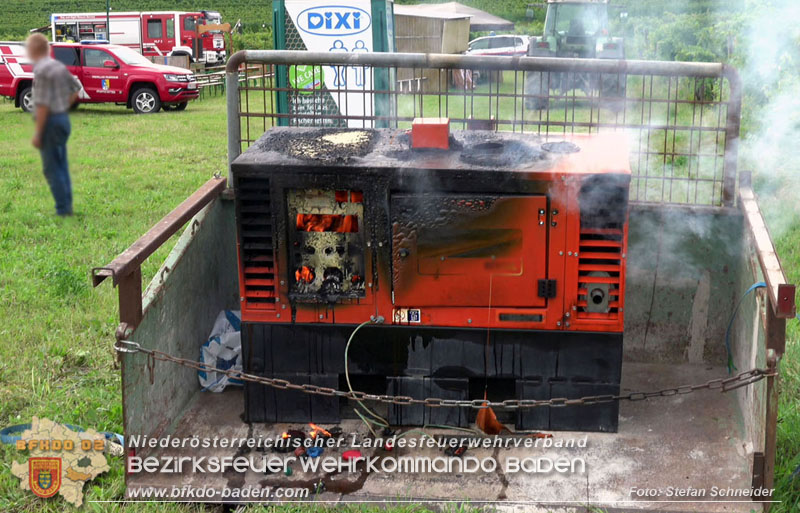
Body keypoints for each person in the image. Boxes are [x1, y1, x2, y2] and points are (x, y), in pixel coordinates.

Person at [26, 33, 82, 216]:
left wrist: (38, 133)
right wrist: (64, 105)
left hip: (49, 122)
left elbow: (42, 105)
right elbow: (76, 88)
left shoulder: (41, 70)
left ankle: (62, 210)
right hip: (63, 120)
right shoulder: (58, 66)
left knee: (51, 168)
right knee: (61, 164)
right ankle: (67, 206)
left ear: (34, 50)